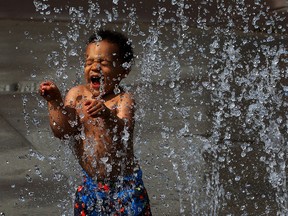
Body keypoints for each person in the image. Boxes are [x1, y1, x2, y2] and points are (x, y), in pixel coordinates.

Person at [39, 29, 151, 215]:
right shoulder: (77, 95)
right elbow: (62, 131)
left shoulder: (123, 99)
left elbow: (124, 130)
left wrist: (107, 116)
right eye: (89, 62)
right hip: (91, 187)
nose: (94, 67)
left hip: (125, 187)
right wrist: (55, 103)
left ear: (124, 70)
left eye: (103, 63)